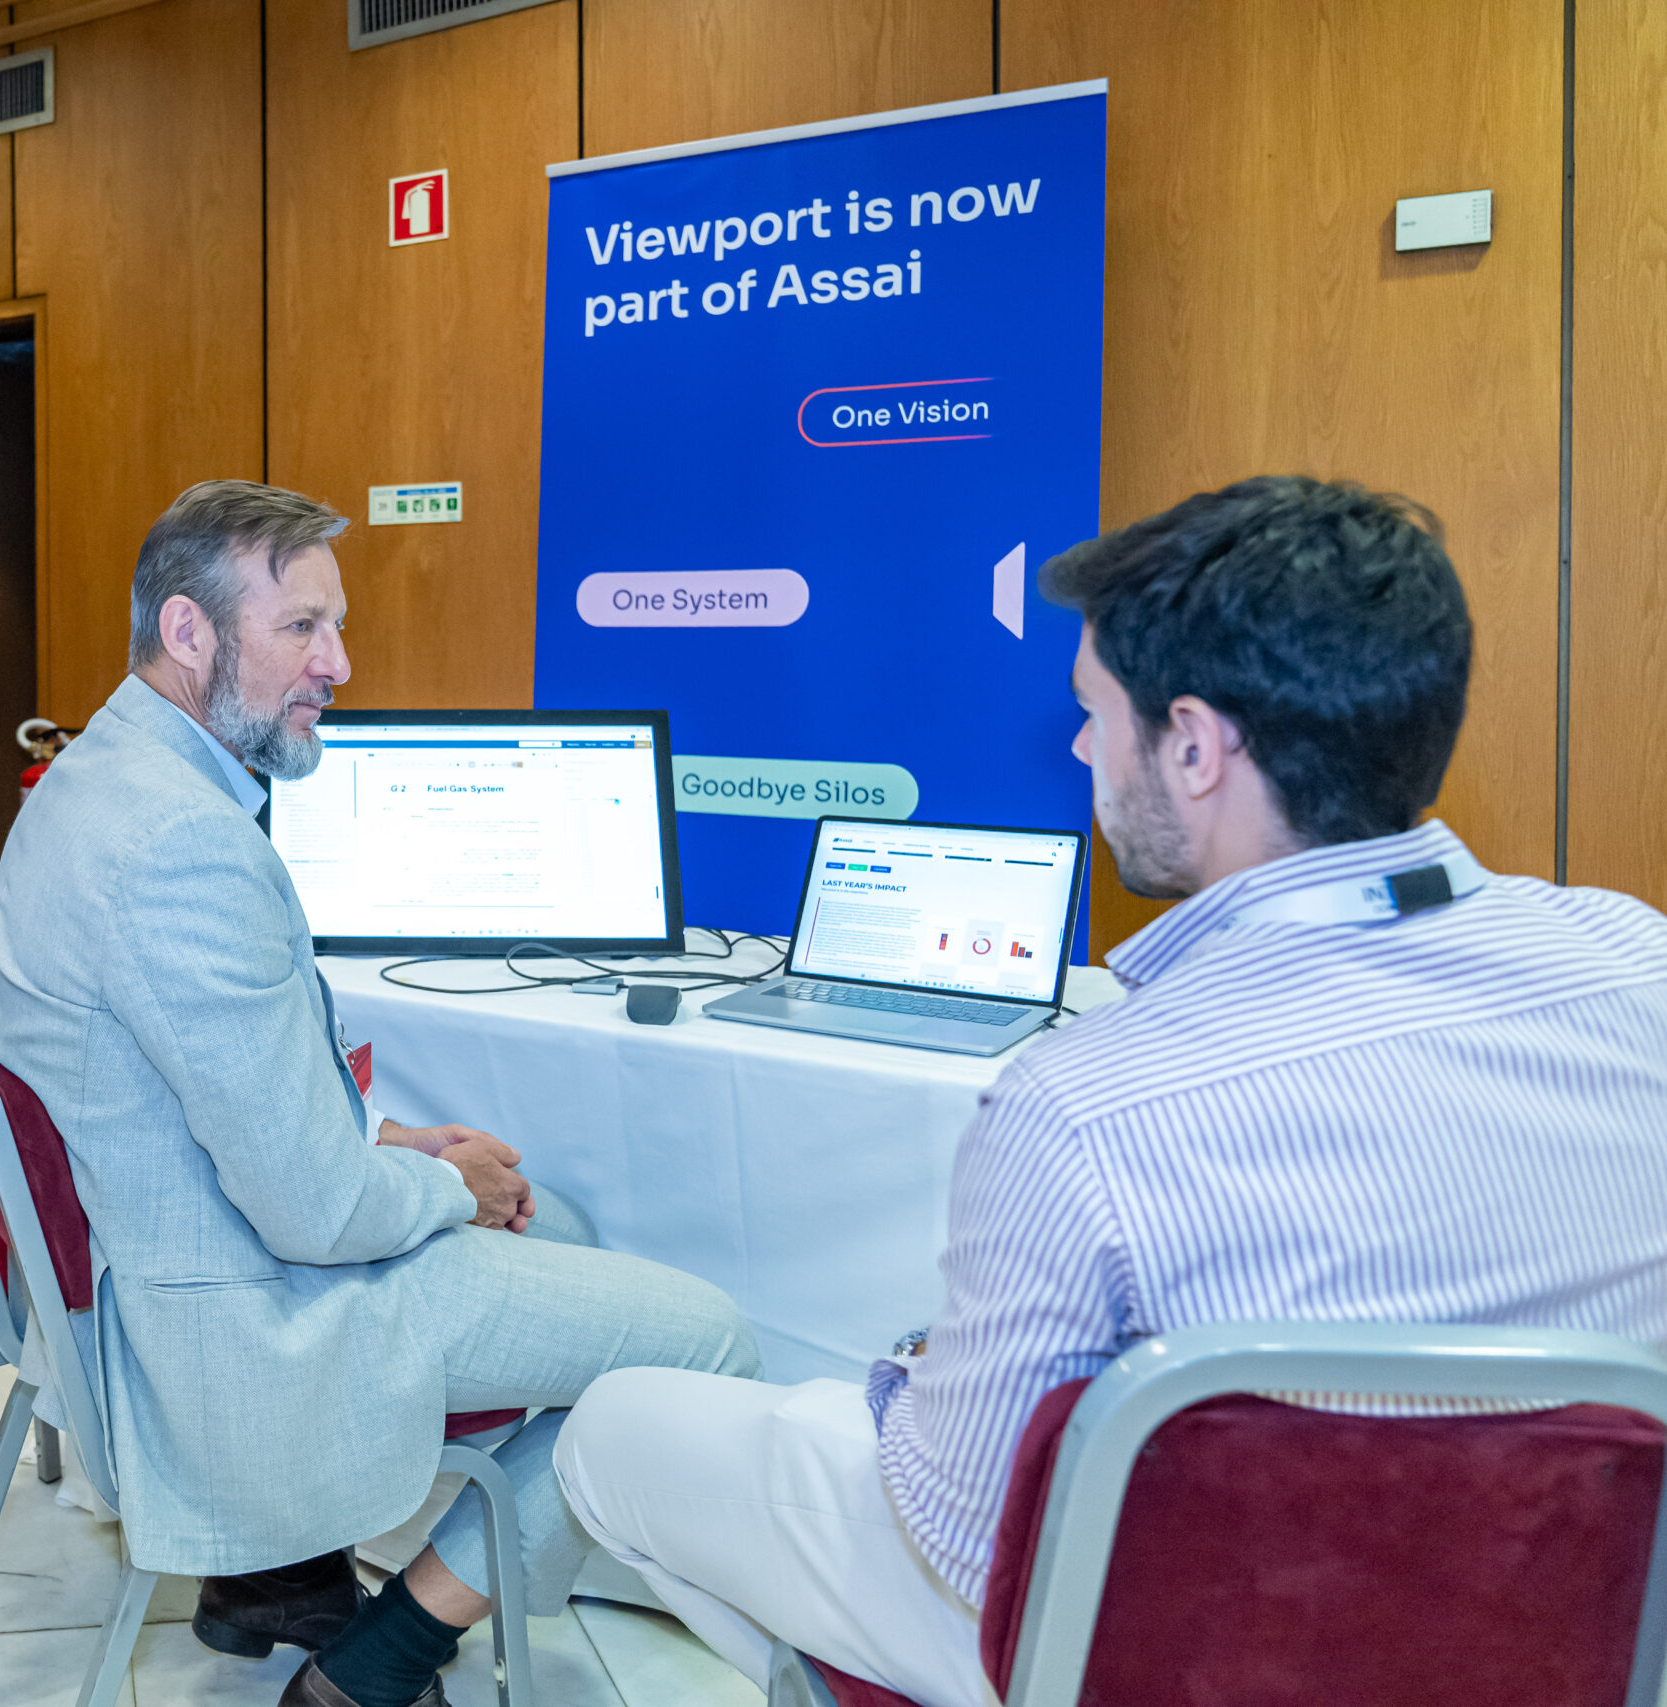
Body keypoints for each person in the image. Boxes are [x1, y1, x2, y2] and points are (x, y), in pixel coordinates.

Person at [552, 475, 1667, 1706]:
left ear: (1192, 745)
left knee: (616, 1430)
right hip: (1565, 1624)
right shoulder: (1641, 960)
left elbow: (967, 1540)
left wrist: (906, 1377)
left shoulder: (1086, 1102)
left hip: (1179, 1648)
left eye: (1092, 712)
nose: (1081, 748)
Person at [0, 479, 760, 1707]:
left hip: (172, 1254)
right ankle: (376, 1664)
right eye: (302, 627)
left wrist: (389, 1139)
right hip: (239, 1318)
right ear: (188, 632)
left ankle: (276, 1580)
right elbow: (315, 1215)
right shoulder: (179, 844)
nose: (337, 663)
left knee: (559, 1223)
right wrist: (444, 1182)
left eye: (335, 627)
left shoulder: (102, 776)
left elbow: (187, 1090)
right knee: (707, 1342)